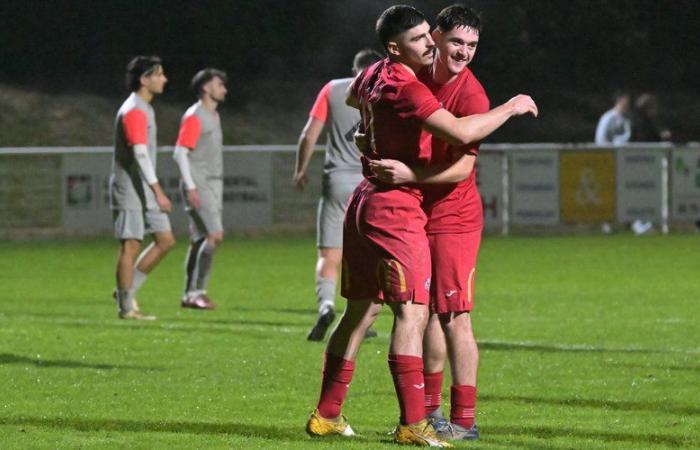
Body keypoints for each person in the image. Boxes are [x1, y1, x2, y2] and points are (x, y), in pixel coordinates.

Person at [305, 5, 537, 447]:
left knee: (365, 311)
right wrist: (512, 107)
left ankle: (327, 414)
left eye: (469, 45)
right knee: (412, 313)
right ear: (401, 46)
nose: (434, 46)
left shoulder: (375, 72)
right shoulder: (409, 85)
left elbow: (357, 102)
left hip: (377, 202)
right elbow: (458, 132)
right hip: (396, 208)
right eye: (427, 40)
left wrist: (369, 134)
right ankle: (415, 424)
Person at [370, 5, 491, 441]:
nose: (464, 52)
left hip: (453, 215)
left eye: (472, 45)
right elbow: (363, 99)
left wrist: (411, 175)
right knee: (423, 314)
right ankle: (428, 413)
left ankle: (464, 421)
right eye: (457, 42)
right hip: (414, 210)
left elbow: (461, 170)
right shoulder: (412, 74)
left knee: (454, 315)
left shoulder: (472, 97)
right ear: (435, 37)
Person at [294, 49, 383, 341]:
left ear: (354, 68)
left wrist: (300, 170)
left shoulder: (333, 89)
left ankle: (326, 306)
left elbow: (309, 134)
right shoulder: (385, 91)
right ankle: (362, 318)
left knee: (329, 253)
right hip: (369, 183)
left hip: (335, 181)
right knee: (367, 255)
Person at [110, 56, 175, 320]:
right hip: (130, 188)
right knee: (131, 245)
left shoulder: (145, 108)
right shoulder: (134, 109)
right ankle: (126, 308)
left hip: (144, 188)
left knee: (165, 240)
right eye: (158, 74)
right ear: (144, 79)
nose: (164, 79)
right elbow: (140, 154)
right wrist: (158, 189)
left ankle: (126, 289)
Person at [172, 68, 228, 309]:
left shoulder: (213, 115)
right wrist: (192, 186)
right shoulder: (195, 115)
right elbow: (180, 152)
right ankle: (198, 292)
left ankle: (189, 294)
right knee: (214, 236)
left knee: (198, 239)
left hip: (212, 182)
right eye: (219, 85)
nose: (224, 89)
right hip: (200, 183)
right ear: (206, 88)